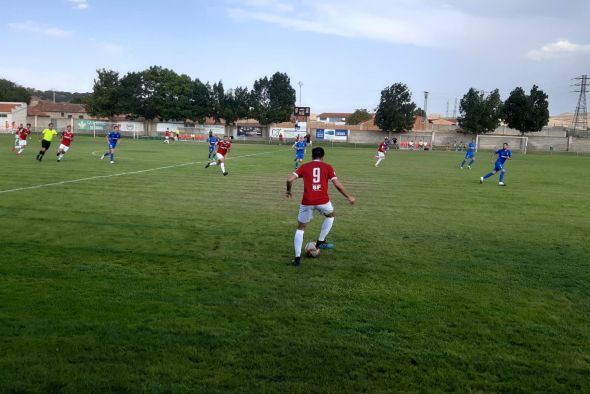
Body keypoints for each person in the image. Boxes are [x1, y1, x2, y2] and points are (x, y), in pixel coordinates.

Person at [285, 147, 356, 266]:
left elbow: (289, 180)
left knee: (301, 228)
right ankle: (320, 241)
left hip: (307, 201)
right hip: (323, 201)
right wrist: (349, 197)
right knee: (331, 216)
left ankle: (297, 259)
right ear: (322, 157)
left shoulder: (304, 166)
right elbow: (337, 184)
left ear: (312, 156)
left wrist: (288, 191)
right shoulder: (328, 167)